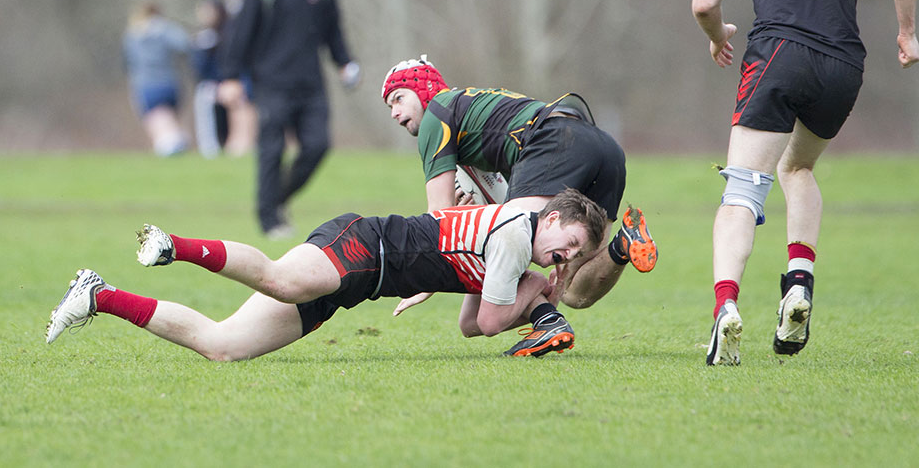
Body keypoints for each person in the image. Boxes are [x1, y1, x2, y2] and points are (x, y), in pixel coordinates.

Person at [691, 0, 918, 366]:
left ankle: (726, 310)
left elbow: (703, 2)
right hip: (843, 64)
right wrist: (908, 32)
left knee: (744, 188)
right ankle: (799, 284)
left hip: (777, 56)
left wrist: (717, 33)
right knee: (798, 169)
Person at [45, 187, 607, 361]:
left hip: (354, 284)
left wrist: (521, 292)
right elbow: (488, 321)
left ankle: (99, 296)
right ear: (553, 219)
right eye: (570, 246)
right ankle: (175, 246)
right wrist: (534, 297)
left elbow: (468, 322)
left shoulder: (526, 223)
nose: (563, 258)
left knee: (223, 346)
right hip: (364, 245)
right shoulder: (517, 240)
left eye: (573, 256)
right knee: (281, 280)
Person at [381, 55, 658, 356]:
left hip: (555, 139)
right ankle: (623, 244)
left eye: (398, 98)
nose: (395, 113)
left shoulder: (437, 112)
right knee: (573, 292)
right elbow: (492, 214)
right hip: (604, 148)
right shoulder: (469, 122)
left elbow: (438, 220)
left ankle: (548, 323)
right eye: (390, 107)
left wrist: (425, 281)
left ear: (425, 90)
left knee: (517, 251)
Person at [217, 0, 361, 238]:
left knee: (318, 145)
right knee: (272, 149)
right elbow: (241, 34)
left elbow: (333, 32)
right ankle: (269, 220)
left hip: (311, 83)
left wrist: (345, 63)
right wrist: (230, 76)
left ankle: (277, 198)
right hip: (271, 82)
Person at [191, 0, 256, 158]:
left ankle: (241, 144)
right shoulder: (206, 37)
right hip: (213, 85)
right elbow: (199, 69)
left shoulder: (230, 31)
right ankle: (212, 148)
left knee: (241, 109)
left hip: (234, 81)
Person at [123, 1, 190, 157]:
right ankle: (175, 139)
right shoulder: (166, 29)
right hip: (170, 81)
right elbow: (184, 44)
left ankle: (172, 143)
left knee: (155, 118)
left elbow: (128, 61)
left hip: (146, 83)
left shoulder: (133, 33)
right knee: (167, 116)